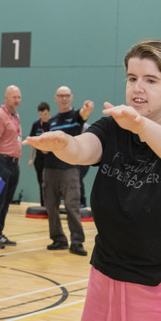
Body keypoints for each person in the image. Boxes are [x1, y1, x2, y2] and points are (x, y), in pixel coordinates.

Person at [24, 40, 161, 321]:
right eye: (132, 78)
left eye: (151, 80)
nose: (138, 87)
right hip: (107, 282)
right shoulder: (113, 128)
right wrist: (64, 145)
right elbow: (85, 148)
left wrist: (141, 127)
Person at [42, 86, 94, 255]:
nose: (63, 98)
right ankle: (58, 239)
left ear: (71, 97)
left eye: (66, 96)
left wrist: (87, 108)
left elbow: (84, 115)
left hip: (69, 170)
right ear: (56, 98)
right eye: (60, 96)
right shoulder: (52, 121)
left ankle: (77, 242)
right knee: (51, 206)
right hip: (50, 169)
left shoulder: (76, 116)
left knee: (72, 206)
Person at [0, 85, 22, 249]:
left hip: (14, 165)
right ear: (6, 98)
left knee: (6, 202)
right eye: (14, 97)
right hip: (1, 164)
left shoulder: (15, 116)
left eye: (19, 98)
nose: (17, 101)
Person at [28, 101, 50, 206]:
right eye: (41, 115)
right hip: (39, 158)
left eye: (45, 114)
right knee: (41, 182)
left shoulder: (53, 123)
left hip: (50, 157)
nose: (43, 117)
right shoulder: (36, 125)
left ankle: (51, 204)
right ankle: (43, 204)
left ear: (49, 113)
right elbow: (32, 142)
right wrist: (31, 158)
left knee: (49, 182)